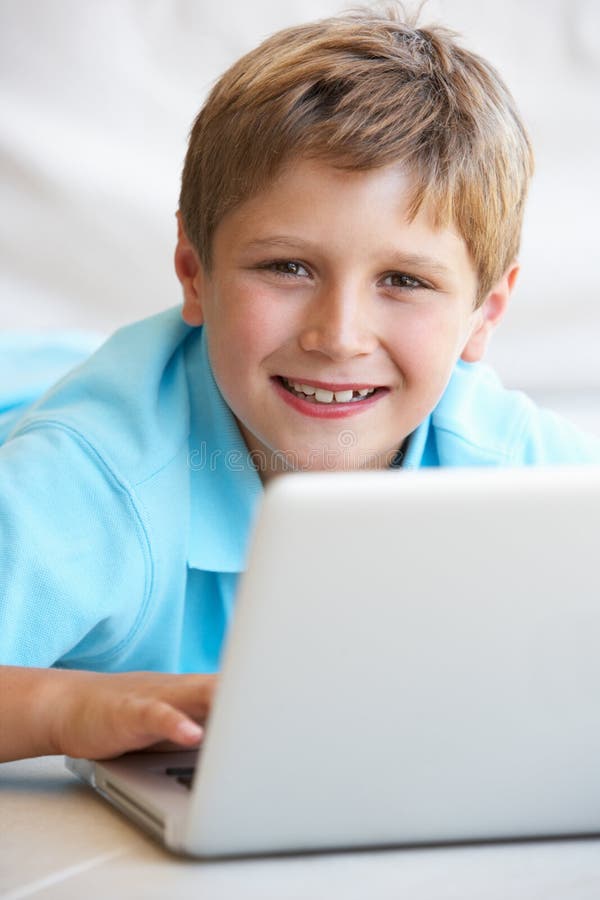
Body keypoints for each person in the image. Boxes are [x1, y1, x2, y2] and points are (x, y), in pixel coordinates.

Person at [2, 6, 599, 764]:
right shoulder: (93, 481)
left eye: (404, 280)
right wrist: (63, 707)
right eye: (287, 267)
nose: (338, 335)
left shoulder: (518, 472)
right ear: (195, 272)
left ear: (484, 316)